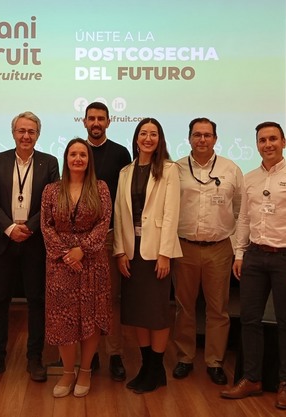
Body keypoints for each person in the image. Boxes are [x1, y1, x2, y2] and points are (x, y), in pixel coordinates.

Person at [220, 121, 286, 410]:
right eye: (262, 140)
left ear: (283, 142)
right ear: (257, 145)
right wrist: (240, 254)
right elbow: (244, 219)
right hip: (254, 257)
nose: (268, 144)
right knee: (249, 319)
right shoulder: (250, 178)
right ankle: (252, 378)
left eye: (273, 139)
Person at [0, 111, 59, 383]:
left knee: (36, 300)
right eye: (21, 131)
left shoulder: (49, 162)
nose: (26, 136)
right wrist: (10, 227)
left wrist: (29, 228)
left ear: (38, 135)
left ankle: (34, 358)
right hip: (4, 240)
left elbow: (51, 202)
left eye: (31, 131)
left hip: (35, 242)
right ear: (13, 133)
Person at [172, 118, 243, 385]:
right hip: (184, 248)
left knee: (218, 309)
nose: (202, 139)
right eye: (197, 135)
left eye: (207, 135)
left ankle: (214, 361)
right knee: (184, 307)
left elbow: (240, 210)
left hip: (219, 249)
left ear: (215, 138)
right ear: (189, 138)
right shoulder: (176, 169)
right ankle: (185, 357)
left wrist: (237, 248)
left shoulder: (230, 169)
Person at [113, 117, 182, 394]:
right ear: (136, 138)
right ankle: (146, 367)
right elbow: (119, 214)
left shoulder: (169, 169)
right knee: (137, 312)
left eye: (154, 134)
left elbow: (171, 214)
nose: (148, 138)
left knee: (157, 313)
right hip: (132, 251)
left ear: (160, 139)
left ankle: (155, 368)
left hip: (156, 252)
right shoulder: (125, 172)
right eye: (143, 133)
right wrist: (119, 251)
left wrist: (165, 254)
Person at [40, 138, 112, 398]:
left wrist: (82, 249)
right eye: (73, 154)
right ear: (66, 158)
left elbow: (104, 222)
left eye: (83, 154)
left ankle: (85, 370)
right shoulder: (51, 190)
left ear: (88, 160)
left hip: (92, 262)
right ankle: (68, 372)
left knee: (90, 317)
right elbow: (46, 225)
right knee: (63, 320)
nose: (78, 158)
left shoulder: (100, 188)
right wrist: (66, 254)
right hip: (60, 265)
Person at [83, 101, 132, 381]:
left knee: (110, 298)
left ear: (109, 122)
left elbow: (125, 198)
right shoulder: (77, 151)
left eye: (101, 118)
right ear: (84, 122)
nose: (96, 123)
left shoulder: (121, 153)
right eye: (91, 118)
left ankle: (115, 354)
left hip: (111, 235)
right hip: (81, 239)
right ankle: (90, 355)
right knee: (86, 298)